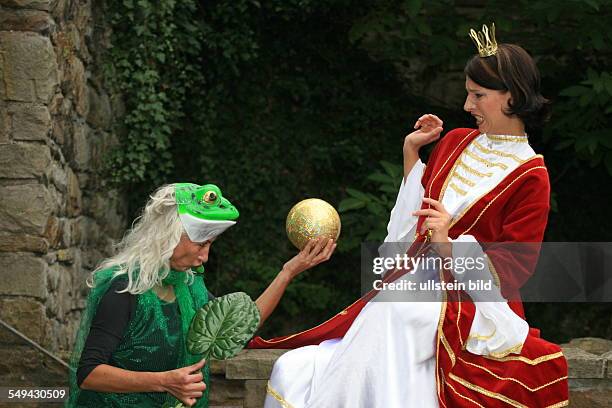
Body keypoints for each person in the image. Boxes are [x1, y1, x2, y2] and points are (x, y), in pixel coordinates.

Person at [252, 24, 569, 407]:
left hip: (473, 300)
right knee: (318, 353)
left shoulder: (532, 175)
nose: (467, 106)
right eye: (469, 94)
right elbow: (413, 223)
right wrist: (411, 155)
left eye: (478, 95)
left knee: (397, 308)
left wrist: (449, 246)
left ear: (512, 97)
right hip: (417, 281)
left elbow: (516, 268)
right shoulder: (454, 141)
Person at [66, 183, 336, 407]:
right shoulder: (125, 287)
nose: (204, 257)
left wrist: (288, 272)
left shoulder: (188, 284)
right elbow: (89, 373)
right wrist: (164, 381)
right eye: (200, 244)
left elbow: (239, 327)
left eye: (210, 245)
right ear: (167, 236)